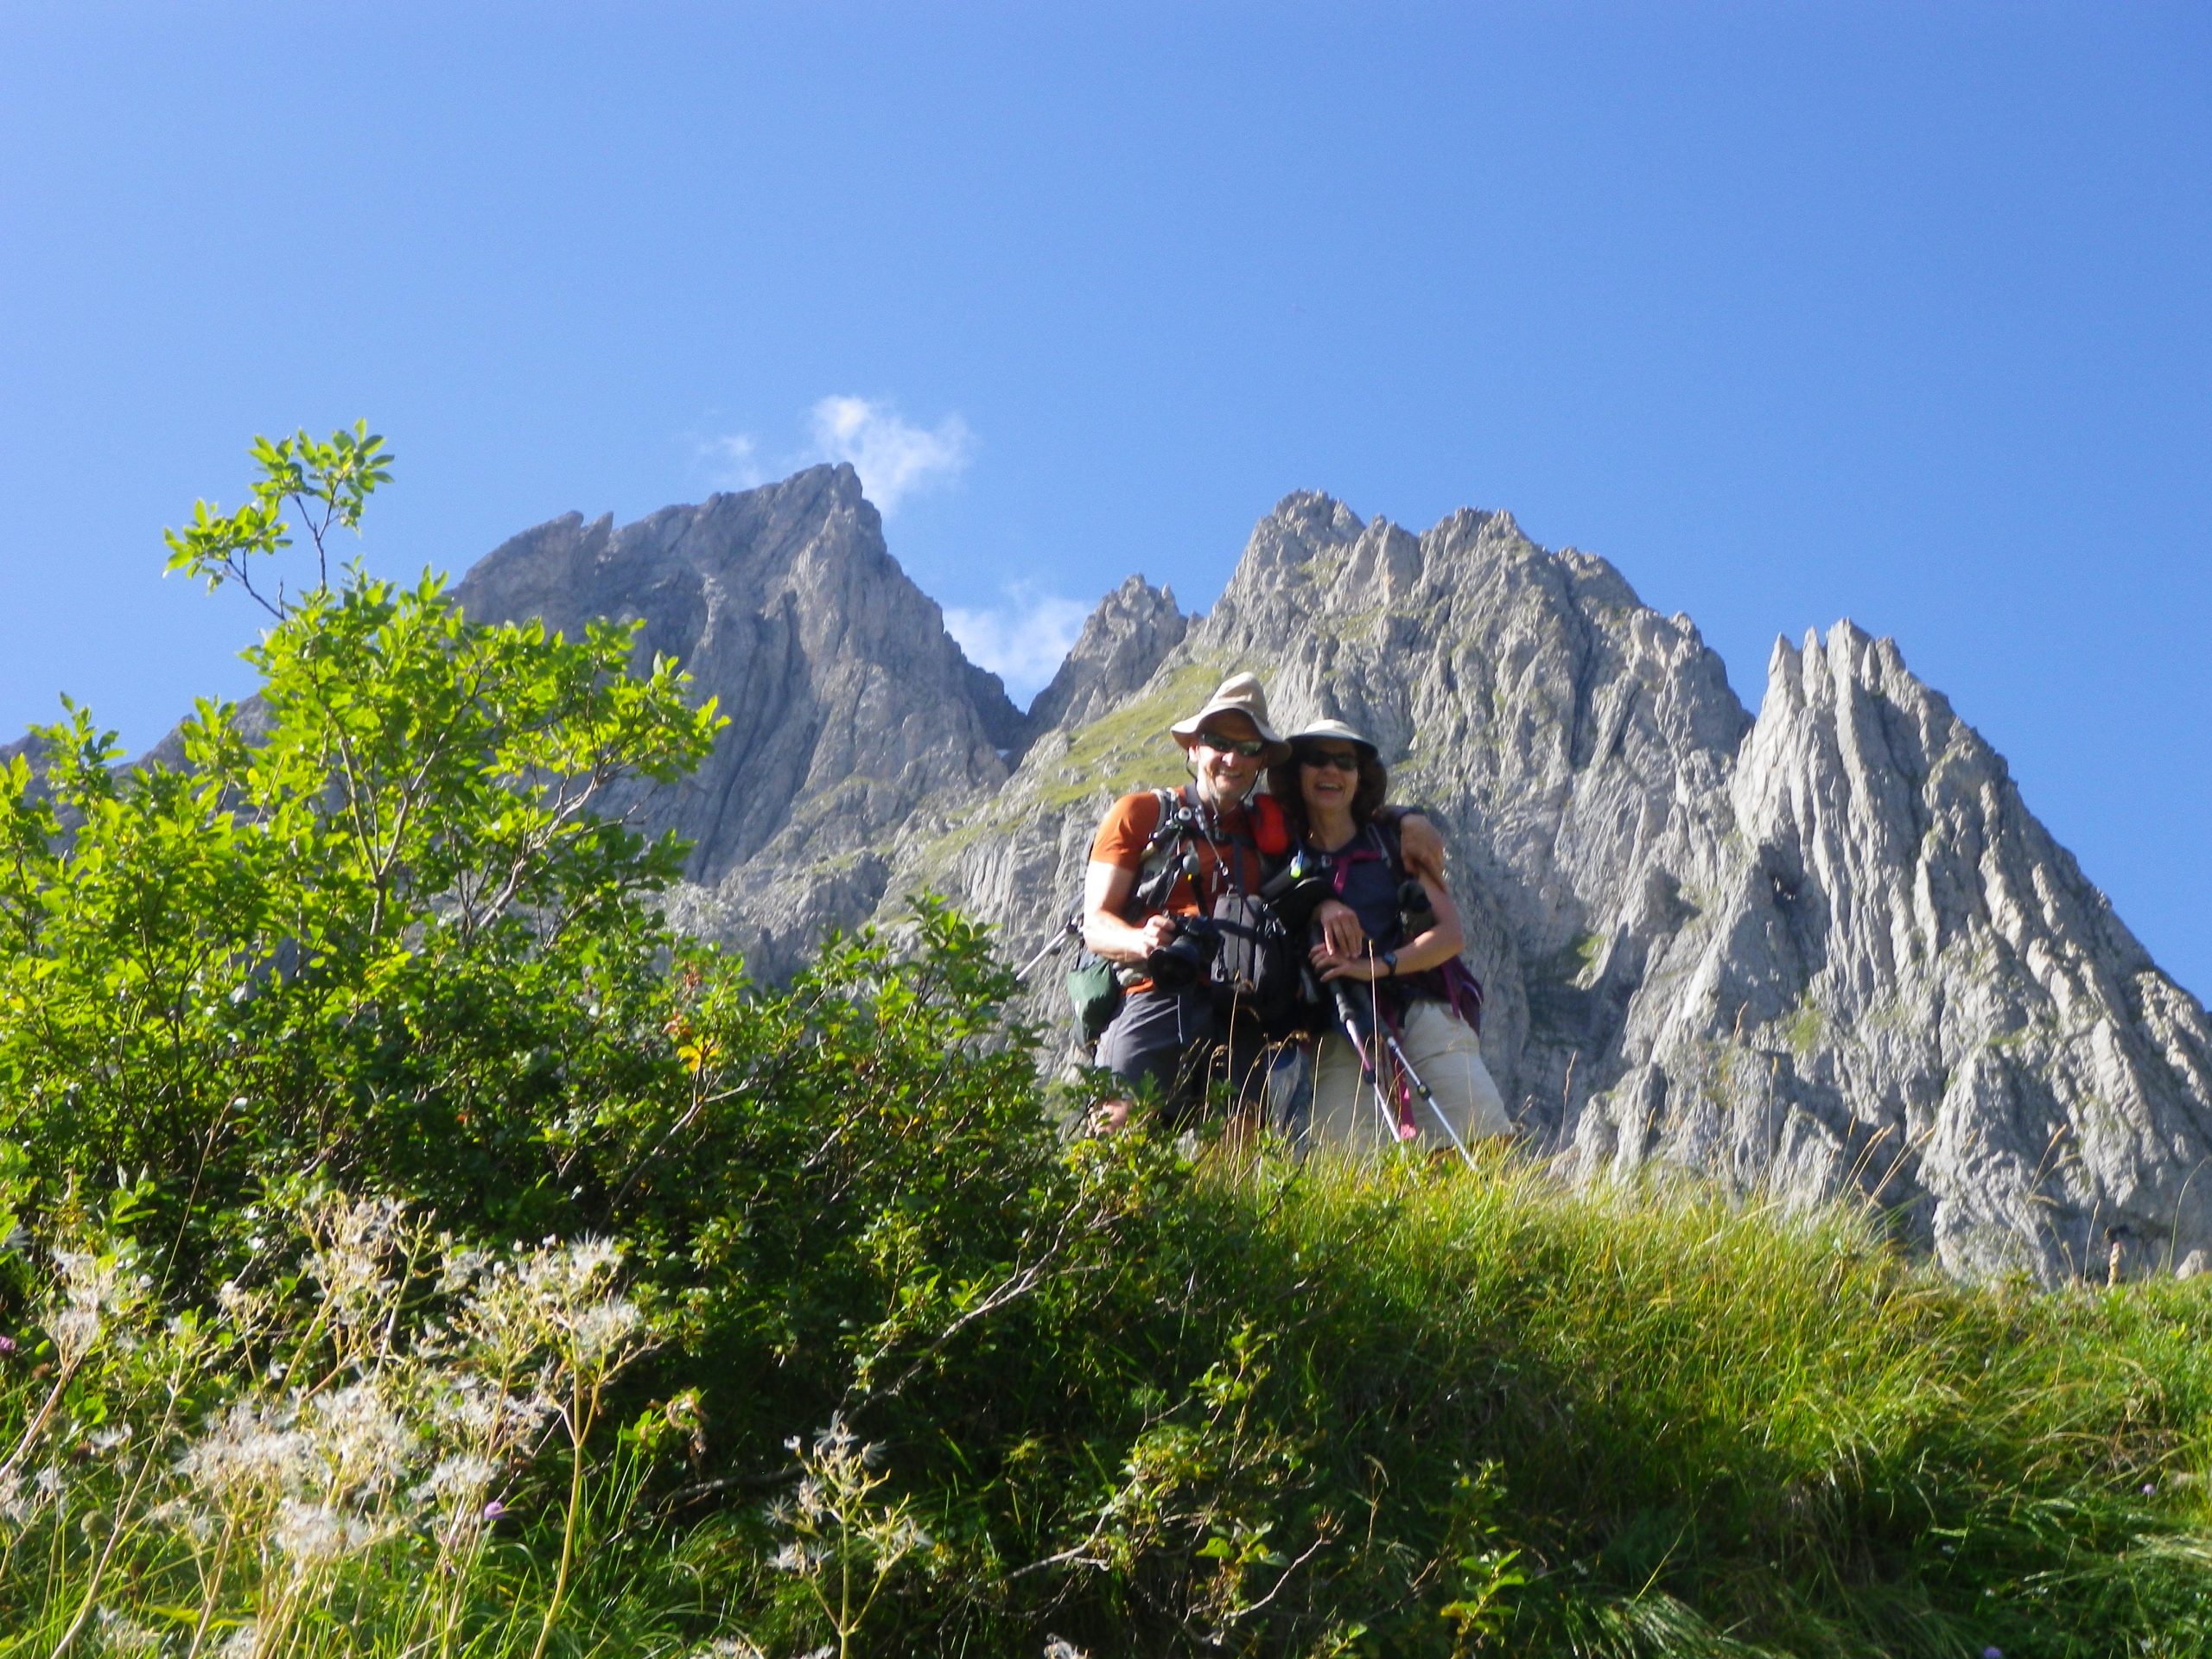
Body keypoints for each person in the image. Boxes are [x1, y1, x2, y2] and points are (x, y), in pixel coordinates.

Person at [1268, 719, 1511, 1155]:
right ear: (1297, 772)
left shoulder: (1393, 842)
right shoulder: (1284, 856)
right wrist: (1320, 903)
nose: (1331, 772)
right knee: (1347, 1171)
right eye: (1317, 760)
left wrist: (1375, 967)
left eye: (1345, 762)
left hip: (1419, 1007)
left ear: (1361, 777)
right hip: (1338, 1024)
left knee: (1479, 1142)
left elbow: (1450, 935)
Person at [1080, 672, 1297, 1133]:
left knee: (1236, 1157)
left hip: (1239, 1013)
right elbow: (1095, 924)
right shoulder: (1140, 814)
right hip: (1152, 994)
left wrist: (1408, 821)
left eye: (1249, 747)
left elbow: (1350, 823)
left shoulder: (1273, 835)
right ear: (1194, 748)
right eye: (1219, 740)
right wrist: (1142, 941)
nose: (1233, 758)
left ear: (1261, 762)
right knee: (1123, 1137)